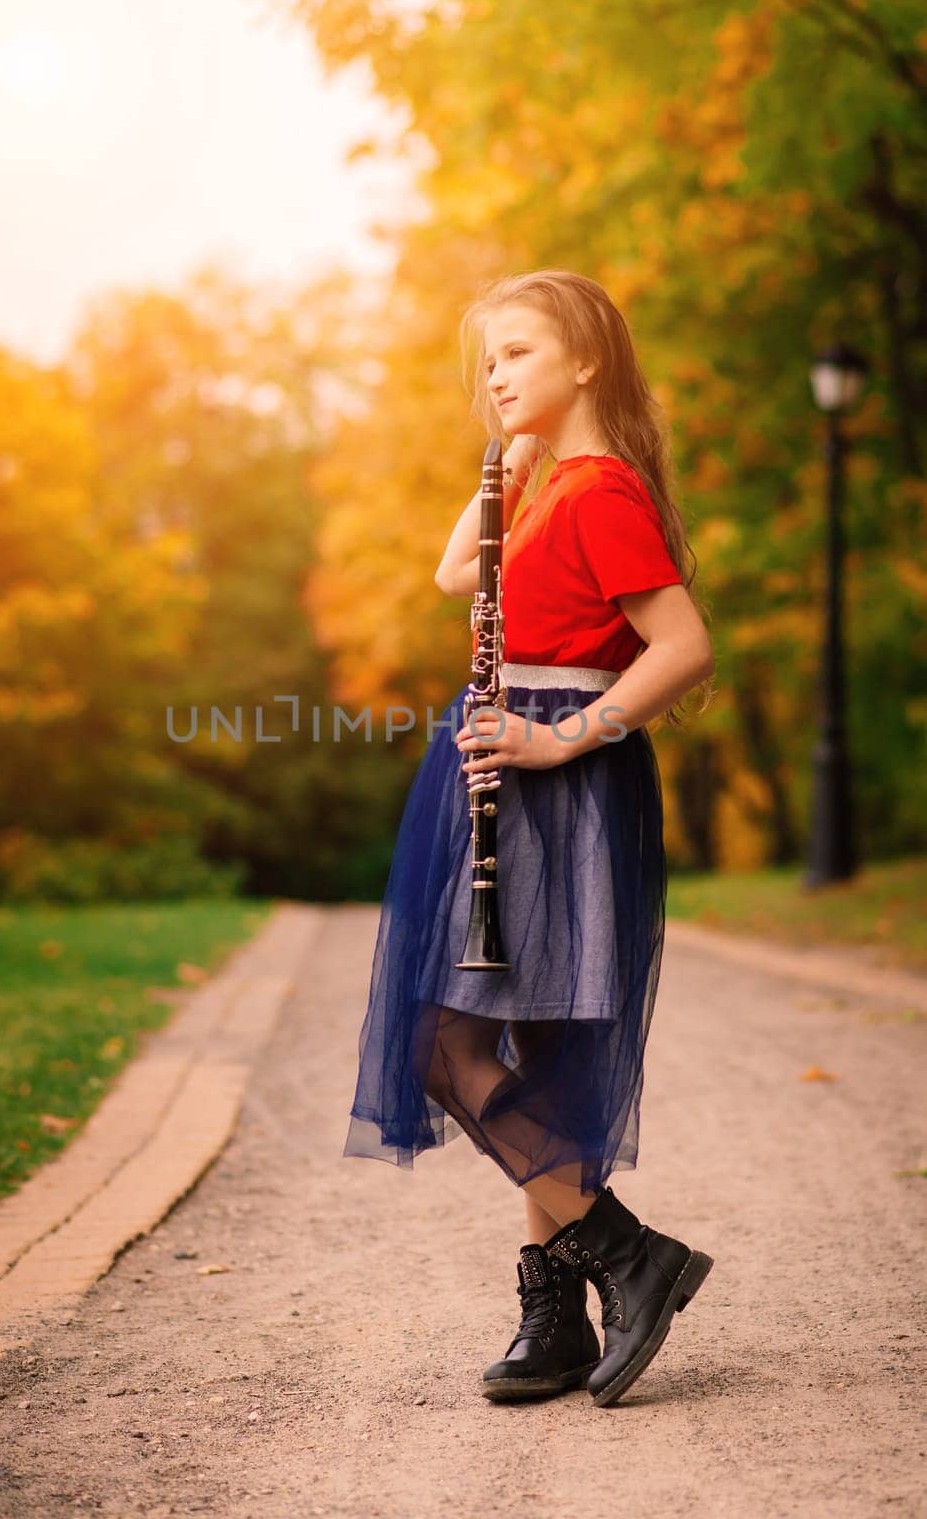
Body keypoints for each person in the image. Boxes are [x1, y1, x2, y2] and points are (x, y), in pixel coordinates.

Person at [343, 268, 716, 1408]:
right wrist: (499, 471)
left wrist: (560, 745)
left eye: (514, 353)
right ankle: (556, 1313)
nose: (494, 377)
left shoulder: (601, 489)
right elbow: (457, 571)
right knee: (531, 1049)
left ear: (585, 362)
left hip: (556, 775)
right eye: (488, 362)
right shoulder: (552, 487)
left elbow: (682, 648)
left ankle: (623, 1256)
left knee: (445, 1044)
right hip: (516, 771)